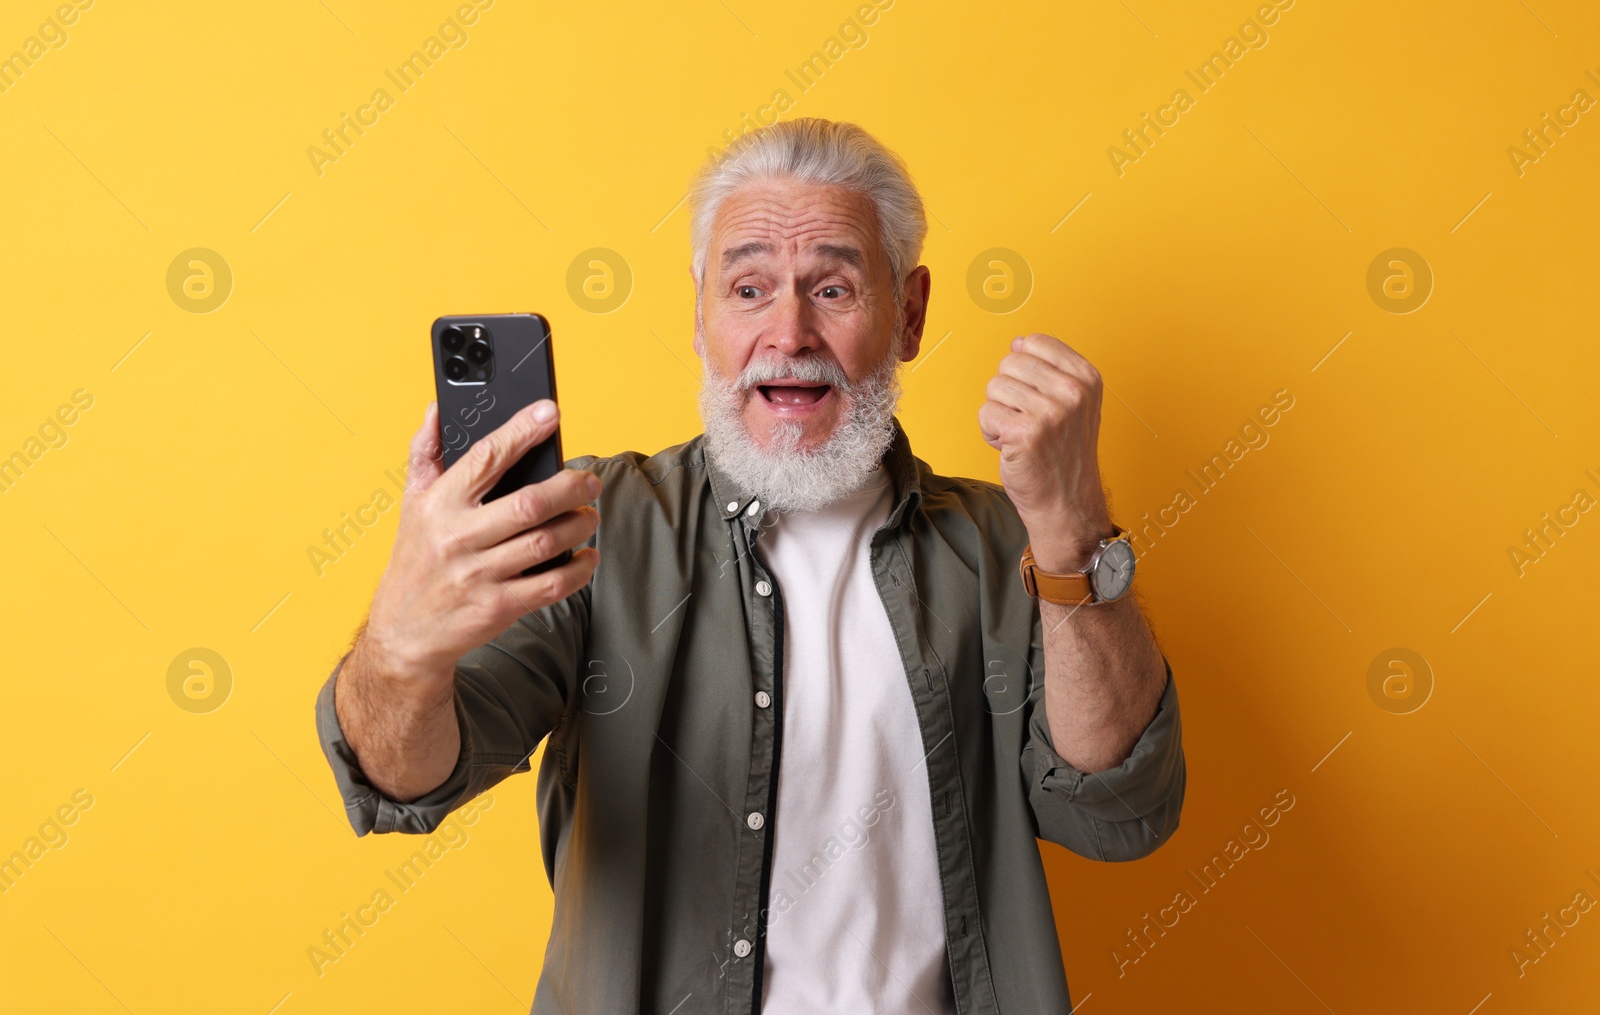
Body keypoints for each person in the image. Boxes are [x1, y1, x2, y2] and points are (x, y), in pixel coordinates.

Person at [314, 117, 1185, 1014]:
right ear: (700, 315)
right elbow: (400, 778)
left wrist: (1073, 532)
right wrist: (401, 644)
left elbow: (1119, 812)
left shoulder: (1009, 543)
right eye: (749, 287)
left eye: (835, 288)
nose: (788, 331)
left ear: (911, 312)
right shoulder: (589, 527)